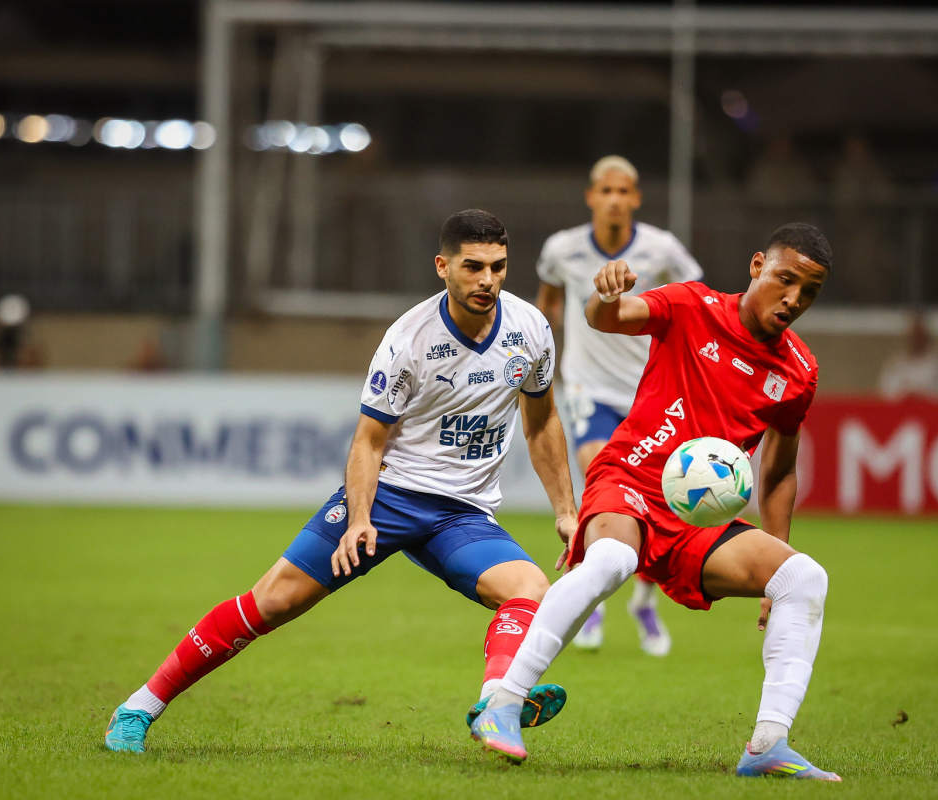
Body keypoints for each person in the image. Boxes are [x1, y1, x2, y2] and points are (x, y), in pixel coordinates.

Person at [104, 209, 579, 752]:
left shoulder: (531, 329)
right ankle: (137, 708)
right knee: (274, 601)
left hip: (461, 513)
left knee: (531, 591)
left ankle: (497, 701)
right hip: (389, 498)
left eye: (498, 267)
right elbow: (368, 441)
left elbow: (541, 421)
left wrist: (566, 508)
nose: (487, 281)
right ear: (442, 266)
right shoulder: (409, 339)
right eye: (473, 267)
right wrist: (358, 520)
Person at [471, 222, 841, 781]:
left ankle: (768, 744)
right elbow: (607, 317)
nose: (793, 299)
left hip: (698, 521)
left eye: (808, 292)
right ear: (757, 264)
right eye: (785, 280)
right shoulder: (693, 306)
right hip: (629, 481)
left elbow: (780, 468)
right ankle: (504, 701)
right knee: (614, 561)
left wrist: (777, 552)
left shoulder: (798, 372)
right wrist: (605, 293)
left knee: (804, 579)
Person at [535, 155, 703, 656]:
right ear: (591, 197)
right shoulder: (561, 249)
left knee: (661, 498)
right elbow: (547, 303)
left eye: (622, 191)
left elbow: (694, 297)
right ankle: (594, 599)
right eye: (604, 190)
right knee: (603, 482)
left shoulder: (661, 248)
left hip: (651, 390)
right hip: (589, 388)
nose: (614, 199)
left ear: (635, 198)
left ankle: (644, 602)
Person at [877, 311, 938, 400]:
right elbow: (886, 394)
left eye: (919, 336)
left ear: (926, 337)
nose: (916, 340)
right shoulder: (896, 365)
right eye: (913, 336)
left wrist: (924, 397)